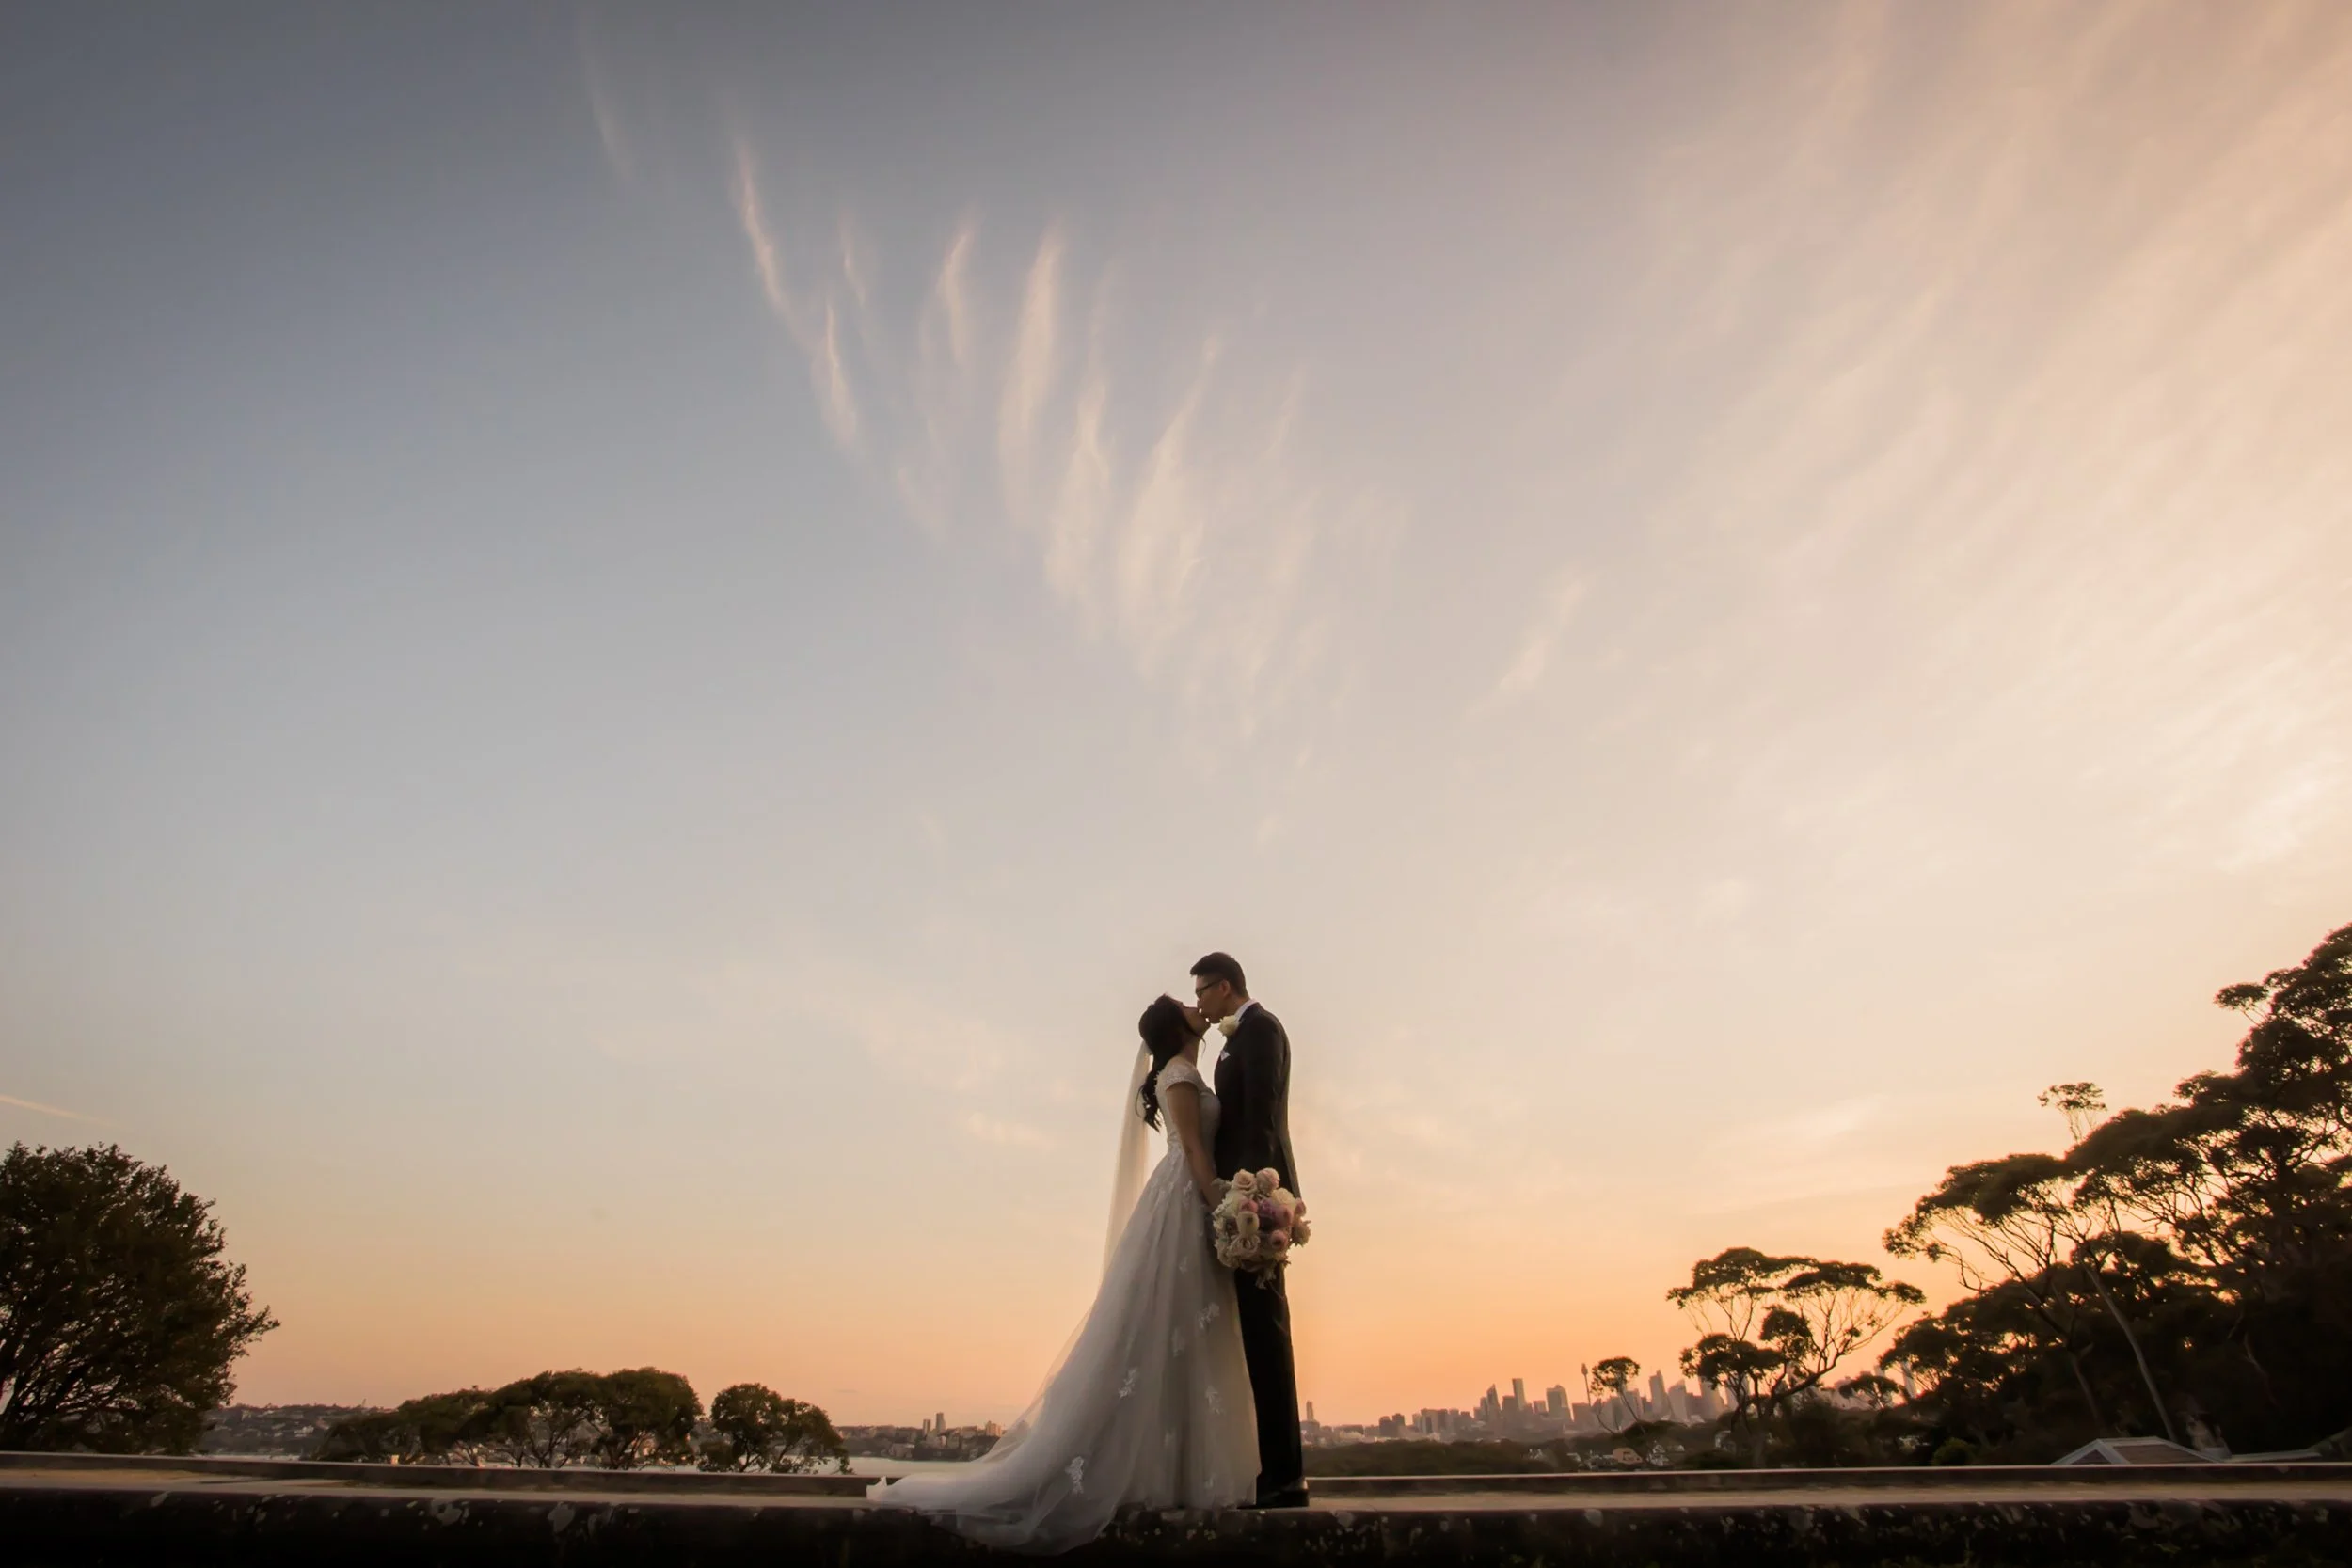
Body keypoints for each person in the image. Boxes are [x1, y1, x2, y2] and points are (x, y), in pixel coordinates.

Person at [867, 994, 1256, 1551]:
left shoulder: (1186, 1071)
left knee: (1185, 1335)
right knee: (1160, 1331)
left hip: (1187, 1201)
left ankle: (1176, 1471)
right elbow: (1194, 1149)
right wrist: (1226, 1207)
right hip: (1183, 1205)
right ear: (1176, 1027)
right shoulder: (1176, 1074)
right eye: (1186, 1006)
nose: (1197, 1008)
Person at [1190, 950, 1308, 1509]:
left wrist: (1257, 1200)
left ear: (1225, 985)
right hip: (1240, 1199)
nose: (1199, 1005)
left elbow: (1261, 1117)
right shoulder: (1238, 1036)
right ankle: (1266, 1466)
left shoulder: (1262, 1030)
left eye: (1202, 993)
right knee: (1253, 1334)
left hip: (1257, 1199)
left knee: (1269, 1333)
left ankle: (1285, 1475)